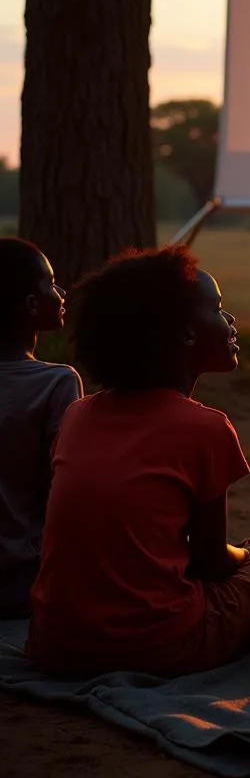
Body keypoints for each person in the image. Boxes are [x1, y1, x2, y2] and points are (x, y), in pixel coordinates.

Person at [28, 247, 250, 677]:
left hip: (53, 644)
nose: (229, 322)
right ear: (187, 335)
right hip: (161, 646)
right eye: (217, 309)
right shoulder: (205, 427)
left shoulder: (78, 415)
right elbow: (212, 564)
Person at [0, 239, 82, 618]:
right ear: (32, 305)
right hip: (22, 583)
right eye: (51, 284)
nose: (61, 292)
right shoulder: (56, 383)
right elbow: (63, 495)